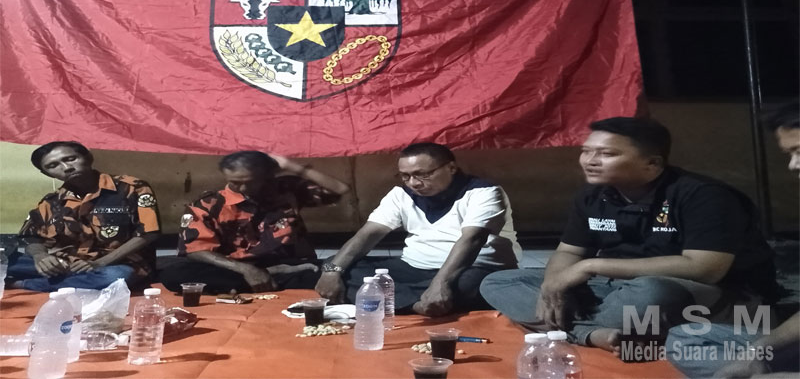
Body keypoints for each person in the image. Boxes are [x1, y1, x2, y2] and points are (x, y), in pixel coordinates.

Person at [479, 117, 779, 359]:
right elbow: (569, 251)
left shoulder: (703, 196)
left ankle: (580, 329)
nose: (590, 160)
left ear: (653, 164)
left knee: (649, 295)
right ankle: (594, 333)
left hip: (707, 291)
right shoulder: (593, 195)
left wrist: (590, 267)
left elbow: (706, 268)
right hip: (618, 289)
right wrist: (554, 285)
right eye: (586, 151)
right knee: (498, 282)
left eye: (607, 154)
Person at [666, 100, 799, 378]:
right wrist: (756, 352)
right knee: (686, 340)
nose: (793, 165)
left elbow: (704, 267)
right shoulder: (597, 199)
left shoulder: (704, 195)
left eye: (799, 151)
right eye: (789, 154)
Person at [315, 142, 522, 316]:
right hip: (414, 267)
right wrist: (332, 272)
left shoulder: (483, 192)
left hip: (472, 268)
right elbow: (367, 235)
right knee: (335, 264)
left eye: (422, 174)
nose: (413, 183)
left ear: (451, 168)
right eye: (405, 176)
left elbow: (472, 239)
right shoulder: (401, 194)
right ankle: (417, 305)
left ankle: (398, 300)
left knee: (475, 285)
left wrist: (440, 283)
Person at [159, 151, 350, 294]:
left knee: (340, 271)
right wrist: (246, 270)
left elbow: (339, 189)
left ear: (267, 176)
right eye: (235, 182)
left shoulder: (285, 189)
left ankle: (254, 283)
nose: (243, 188)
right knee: (174, 275)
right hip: (236, 266)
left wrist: (291, 166)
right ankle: (264, 278)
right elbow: (195, 250)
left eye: (250, 182)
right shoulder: (208, 204)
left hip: (292, 264)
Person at [7, 141, 161, 291]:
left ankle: (23, 283)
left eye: (71, 159)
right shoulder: (51, 201)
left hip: (117, 264)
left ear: (88, 158)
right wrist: (40, 256)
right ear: (47, 173)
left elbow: (148, 233)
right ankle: (70, 279)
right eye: (53, 166)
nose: (66, 168)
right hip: (66, 264)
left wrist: (100, 263)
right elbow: (32, 237)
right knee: (4, 260)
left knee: (116, 276)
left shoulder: (132, 188)